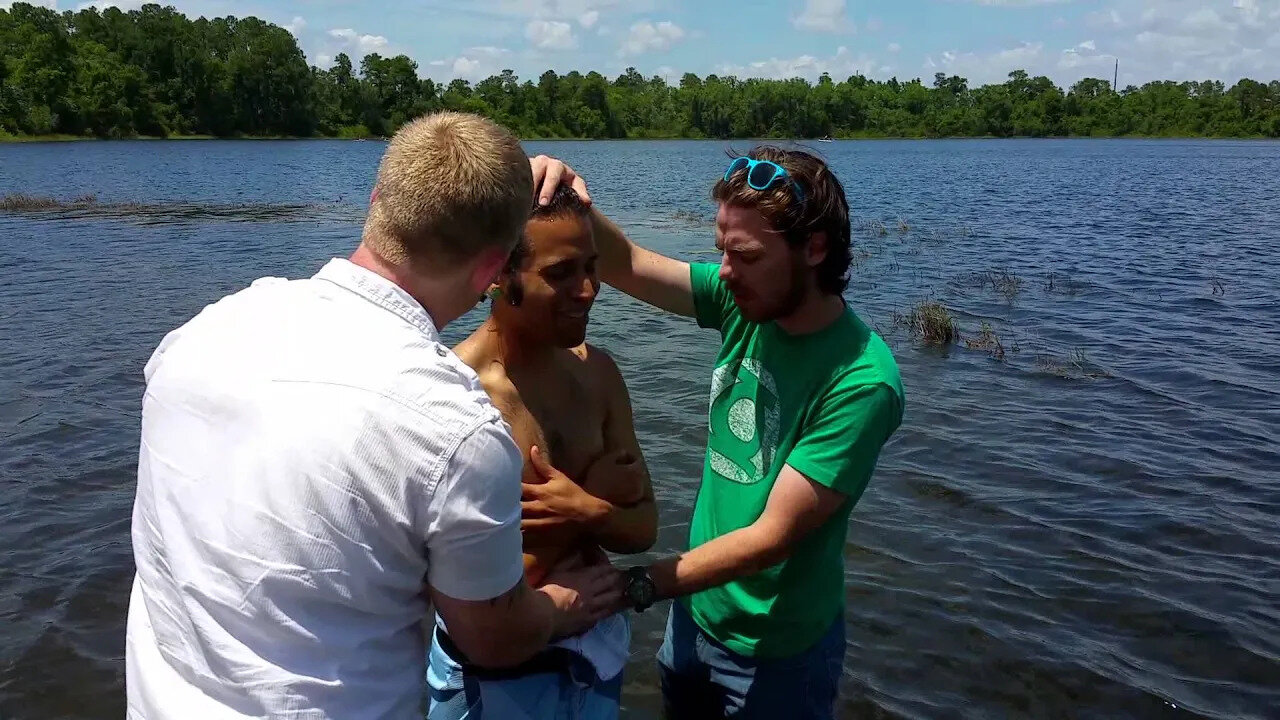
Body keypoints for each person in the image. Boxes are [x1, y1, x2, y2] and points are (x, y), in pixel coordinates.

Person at [125, 112, 623, 720]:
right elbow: (493, 638)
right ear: (495, 271)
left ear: (379, 201)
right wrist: (561, 605)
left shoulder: (201, 332)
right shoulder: (454, 428)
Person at [531, 148, 905, 719]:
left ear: (815, 249)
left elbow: (772, 537)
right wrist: (575, 200)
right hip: (694, 615)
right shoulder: (744, 301)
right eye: (721, 252)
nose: (725, 273)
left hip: (776, 655)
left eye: (746, 255)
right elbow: (626, 262)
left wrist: (633, 587)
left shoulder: (861, 381)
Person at [425, 186, 658, 720]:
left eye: (592, 267)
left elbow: (643, 527)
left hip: (595, 658)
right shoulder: (455, 395)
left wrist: (582, 507)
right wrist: (592, 505)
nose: (589, 290)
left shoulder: (598, 374)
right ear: (499, 276)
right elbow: (477, 603)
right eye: (561, 273)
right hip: (492, 677)